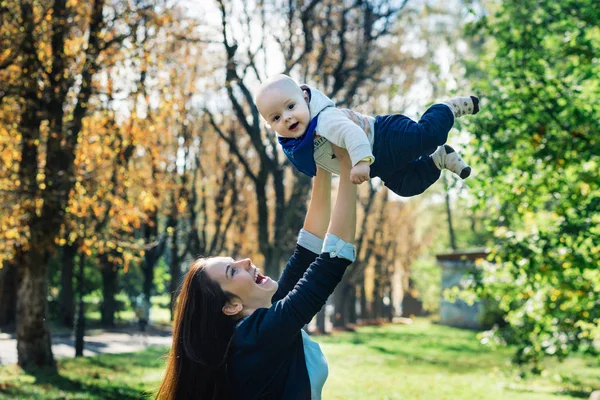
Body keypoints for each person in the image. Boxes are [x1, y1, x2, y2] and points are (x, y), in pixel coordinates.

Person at [156, 147, 358, 400]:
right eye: (232, 270)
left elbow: (307, 250)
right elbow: (332, 261)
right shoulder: (261, 336)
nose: (246, 260)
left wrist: (321, 165)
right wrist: (350, 161)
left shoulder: (256, 329)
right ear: (231, 306)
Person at [255, 74, 480, 197]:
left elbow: (351, 133)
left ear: (305, 97)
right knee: (407, 186)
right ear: (268, 125)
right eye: (275, 118)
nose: (286, 118)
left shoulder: (324, 119)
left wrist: (361, 162)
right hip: (379, 165)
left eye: (291, 106)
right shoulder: (296, 145)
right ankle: (440, 159)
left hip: (382, 137)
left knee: (427, 137)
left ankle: (447, 109)